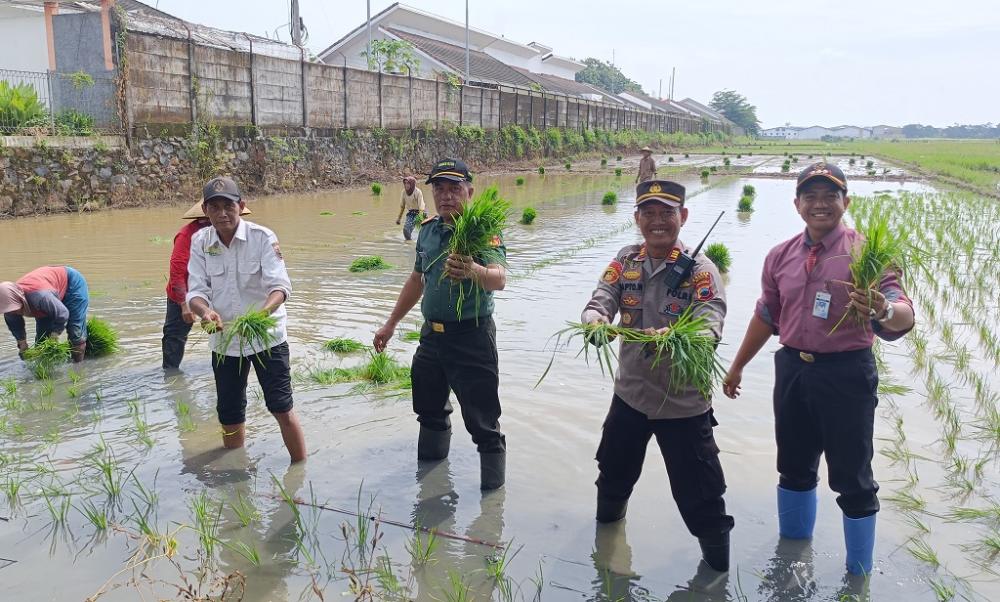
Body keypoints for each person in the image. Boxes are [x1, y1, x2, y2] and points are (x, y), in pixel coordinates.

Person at [722, 162, 915, 575]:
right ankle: (791, 555)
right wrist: (737, 366)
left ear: (846, 201)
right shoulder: (780, 256)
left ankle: (858, 575)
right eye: (811, 196)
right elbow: (766, 315)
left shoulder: (868, 254)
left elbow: (903, 315)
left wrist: (883, 309)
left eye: (831, 195)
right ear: (797, 204)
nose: (820, 204)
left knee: (852, 477)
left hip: (846, 374)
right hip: (792, 368)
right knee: (793, 466)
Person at [581, 179, 734, 572]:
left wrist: (677, 337)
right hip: (630, 396)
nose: (657, 221)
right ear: (636, 218)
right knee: (612, 476)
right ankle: (606, 556)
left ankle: (715, 578)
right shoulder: (625, 260)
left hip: (682, 404)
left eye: (667, 213)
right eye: (648, 213)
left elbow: (709, 326)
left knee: (701, 498)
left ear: (683, 216)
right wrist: (595, 321)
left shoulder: (701, 272)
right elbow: (599, 301)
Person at [373, 158, 508, 490]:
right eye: (440, 189)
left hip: (472, 338)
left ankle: (491, 510)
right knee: (430, 412)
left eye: (454, 188)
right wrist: (390, 324)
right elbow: (418, 280)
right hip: (431, 339)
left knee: (484, 425)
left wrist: (474, 270)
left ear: (469, 191)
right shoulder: (429, 229)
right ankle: (430, 490)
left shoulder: (483, 229)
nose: (446, 196)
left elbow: (499, 280)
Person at [186, 176, 306, 463]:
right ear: (205, 210)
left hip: (267, 338)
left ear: (241, 205)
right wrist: (205, 312)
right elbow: (196, 291)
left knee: (281, 407)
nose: (222, 213)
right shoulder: (200, 241)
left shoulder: (263, 237)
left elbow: (281, 287)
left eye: (228, 205)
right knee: (229, 412)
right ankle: (235, 472)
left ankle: (299, 476)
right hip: (224, 341)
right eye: (214, 207)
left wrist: (260, 315)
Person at [162, 199, 251, 370]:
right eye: (216, 210)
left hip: (217, 290)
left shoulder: (236, 232)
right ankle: (170, 373)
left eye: (228, 210)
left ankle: (231, 365)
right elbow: (178, 272)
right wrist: (184, 303)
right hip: (184, 293)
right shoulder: (187, 235)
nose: (223, 216)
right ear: (206, 214)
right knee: (175, 336)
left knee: (228, 328)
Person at [2, 266, 90, 362]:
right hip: (48, 294)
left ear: (20, 299)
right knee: (42, 341)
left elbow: (62, 314)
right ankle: (46, 369)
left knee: (75, 332)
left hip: (72, 284)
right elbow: (15, 325)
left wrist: (54, 335)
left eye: (15, 309)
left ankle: (78, 368)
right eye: (10, 310)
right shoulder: (7, 305)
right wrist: (22, 344)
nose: (14, 312)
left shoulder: (40, 297)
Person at [396, 175, 426, 241]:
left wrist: (420, 216)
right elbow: (402, 206)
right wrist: (399, 218)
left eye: (408, 183)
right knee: (406, 230)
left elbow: (421, 205)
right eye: (405, 183)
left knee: (425, 231)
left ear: (412, 184)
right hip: (411, 213)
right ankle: (409, 242)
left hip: (421, 212)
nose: (406, 185)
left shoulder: (418, 192)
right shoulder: (403, 192)